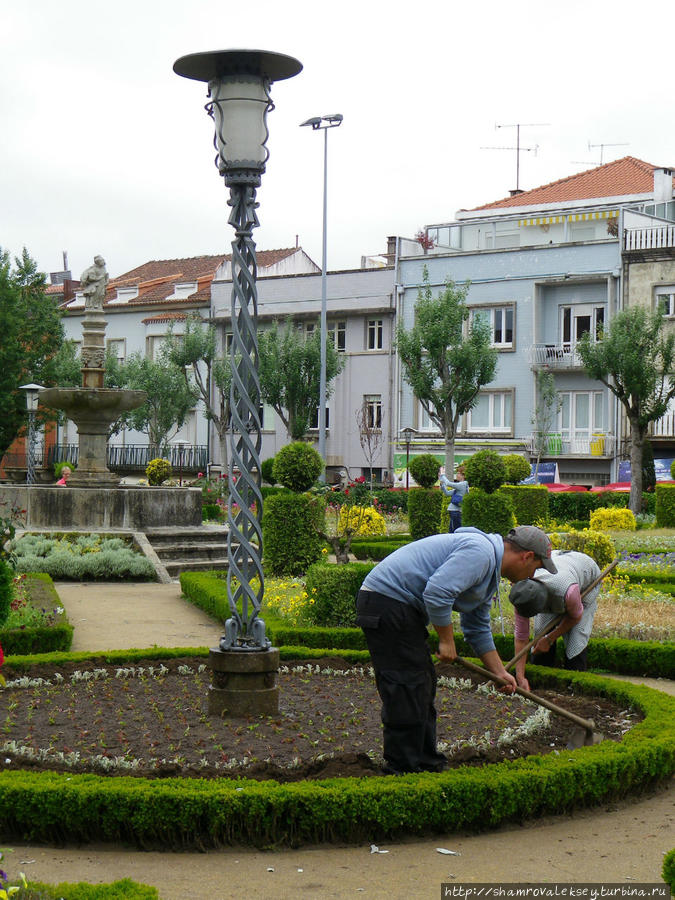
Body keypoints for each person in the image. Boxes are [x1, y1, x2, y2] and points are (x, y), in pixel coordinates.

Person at [356, 524, 557, 775]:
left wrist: (498, 672)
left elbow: (477, 628)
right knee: (406, 685)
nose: (532, 575)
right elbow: (438, 593)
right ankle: (401, 769)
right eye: (536, 567)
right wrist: (446, 640)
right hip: (387, 602)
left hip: (398, 607)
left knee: (422, 683)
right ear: (527, 556)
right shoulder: (480, 553)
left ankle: (426, 762)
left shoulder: (489, 571)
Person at [509, 549, 601, 689]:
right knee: (540, 632)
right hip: (559, 565)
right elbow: (521, 638)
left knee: (576, 641)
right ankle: (540, 682)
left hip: (585, 575)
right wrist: (520, 676)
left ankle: (574, 686)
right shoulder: (523, 594)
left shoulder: (568, 591)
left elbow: (575, 617)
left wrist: (549, 638)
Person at [439, 464, 469, 533]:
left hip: (456, 512)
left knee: (455, 531)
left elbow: (449, 483)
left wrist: (443, 475)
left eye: (458, 473)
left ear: (463, 476)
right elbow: (447, 493)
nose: (457, 475)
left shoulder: (463, 484)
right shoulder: (461, 485)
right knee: (452, 531)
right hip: (454, 511)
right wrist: (442, 485)